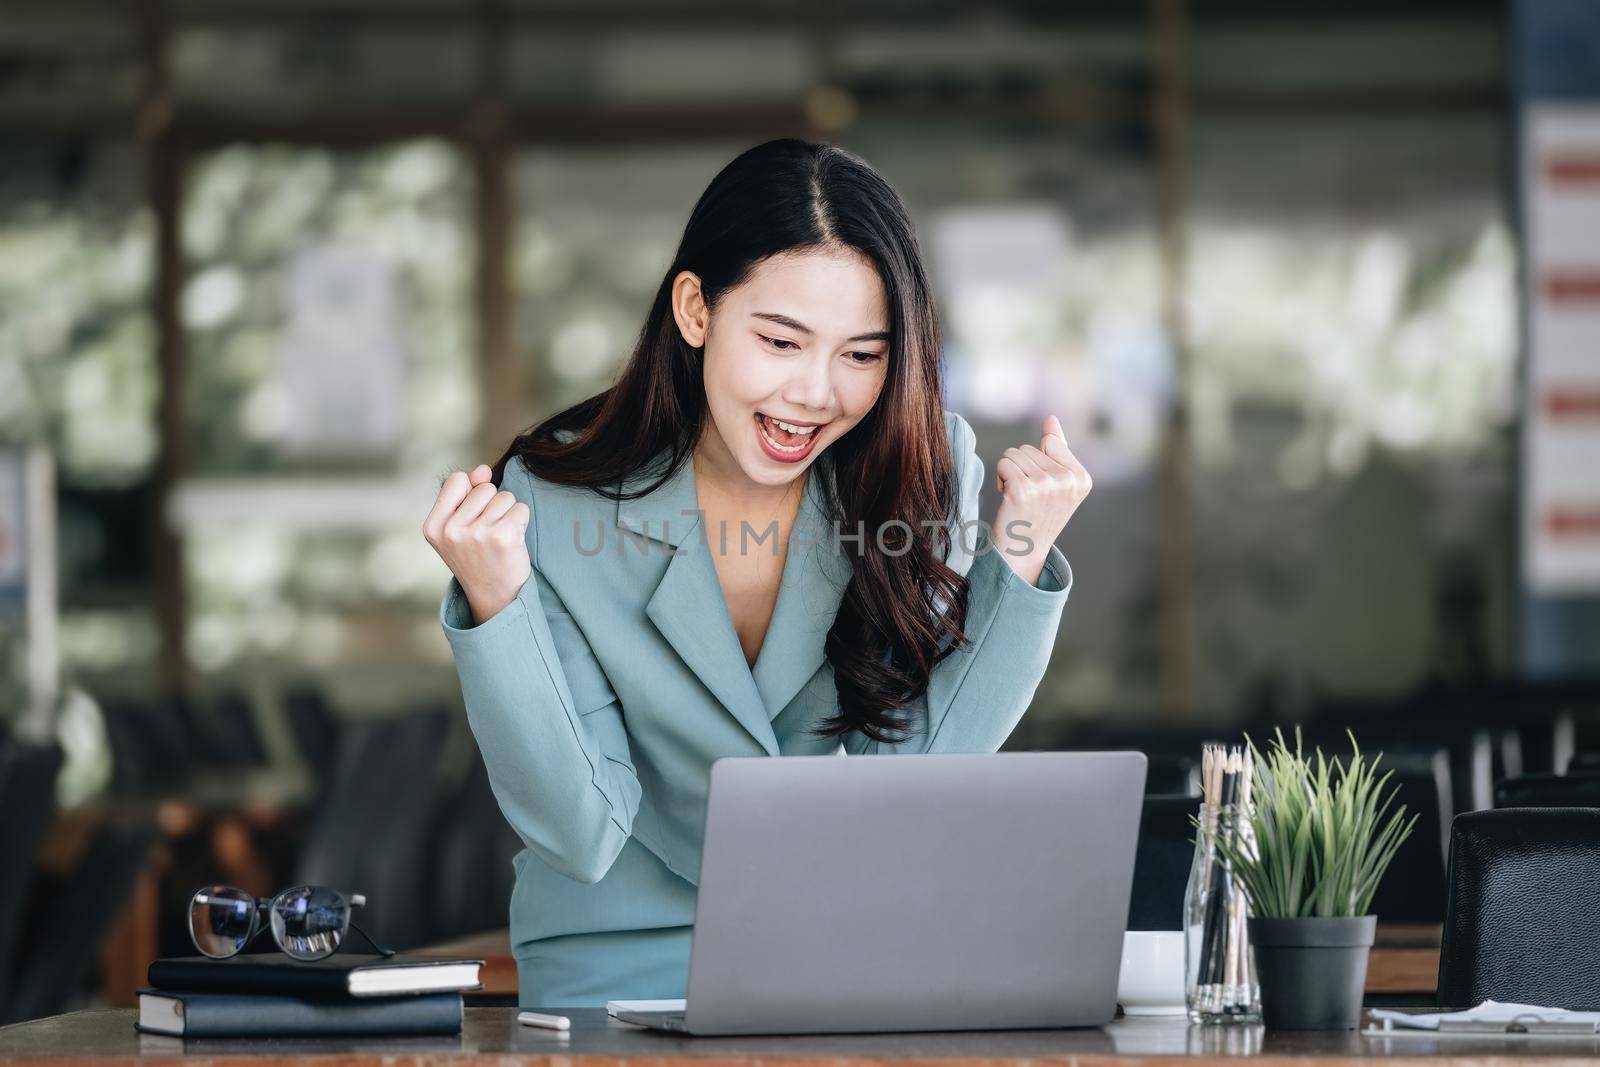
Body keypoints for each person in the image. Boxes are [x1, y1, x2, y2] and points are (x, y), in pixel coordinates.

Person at [423, 138, 1092, 1008]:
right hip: (618, 973)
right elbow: (580, 831)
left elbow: (917, 784)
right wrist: (499, 606)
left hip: (849, 961)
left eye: (862, 354)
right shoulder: (553, 501)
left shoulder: (925, 474)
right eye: (781, 340)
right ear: (696, 310)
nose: (816, 393)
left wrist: (1022, 556)